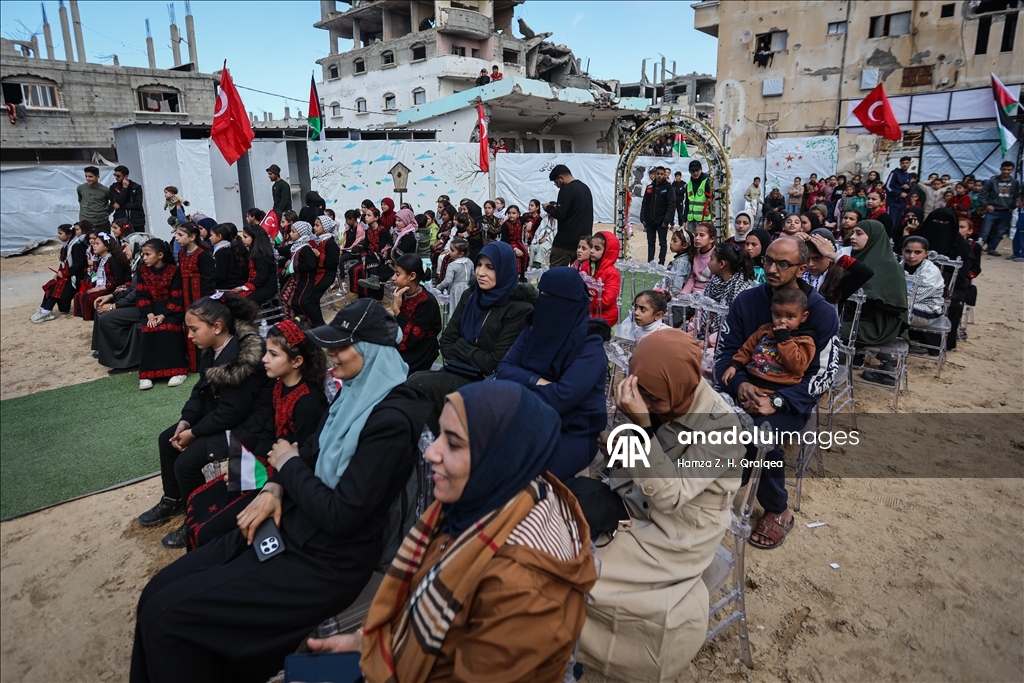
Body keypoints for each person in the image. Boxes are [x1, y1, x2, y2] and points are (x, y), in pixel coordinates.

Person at [130, 299, 432, 683]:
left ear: (371, 350)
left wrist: (287, 467)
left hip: (327, 560)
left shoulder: (390, 419)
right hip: (294, 525)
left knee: (167, 622)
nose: (330, 354)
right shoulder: (355, 394)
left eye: (341, 346)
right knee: (155, 594)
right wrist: (274, 484)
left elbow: (341, 515)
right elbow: (310, 448)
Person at [302, 382, 598, 682]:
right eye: (439, 433)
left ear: (498, 455)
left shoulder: (520, 590)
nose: (431, 452)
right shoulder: (494, 490)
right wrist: (369, 645)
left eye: (454, 443)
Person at [579, 329, 742, 682]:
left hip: (679, 533)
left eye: (653, 398)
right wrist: (624, 433)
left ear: (678, 386)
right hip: (637, 504)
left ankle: (598, 652)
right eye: (642, 394)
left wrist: (637, 423)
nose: (646, 403)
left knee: (584, 572)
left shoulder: (721, 429)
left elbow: (670, 495)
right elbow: (635, 456)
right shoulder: (660, 396)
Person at [714, 236, 839, 550]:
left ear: (802, 267)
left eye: (783, 264)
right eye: (768, 260)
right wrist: (740, 384)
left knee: (760, 437)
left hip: (790, 399)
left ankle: (777, 508)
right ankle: (715, 483)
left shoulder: (819, 313)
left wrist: (777, 401)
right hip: (744, 387)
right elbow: (725, 353)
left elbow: (824, 374)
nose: (771, 268)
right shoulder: (747, 301)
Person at [136, 293, 273, 548]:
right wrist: (185, 422)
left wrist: (196, 433)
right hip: (224, 417)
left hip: (248, 427)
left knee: (186, 464)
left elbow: (234, 413)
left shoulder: (242, 360)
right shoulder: (213, 348)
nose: (189, 335)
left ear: (217, 327)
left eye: (194, 329)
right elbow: (201, 388)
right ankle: (173, 499)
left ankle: (196, 517)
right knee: (167, 440)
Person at [185, 319, 329, 550]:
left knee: (209, 528)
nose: (264, 359)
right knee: (197, 498)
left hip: (287, 480)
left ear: (297, 361)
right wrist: (247, 466)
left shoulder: (309, 402)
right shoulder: (279, 386)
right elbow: (269, 433)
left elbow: (308, 455)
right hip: (266, 467)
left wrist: (269, 481)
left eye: (273, 354)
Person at [406, 241, 535, 431]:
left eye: (490, 267)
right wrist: (471, 354)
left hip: (488, 382)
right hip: (459, 369)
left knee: (417, 385)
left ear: (505, 269)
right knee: (414, 383)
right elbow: (447, 340)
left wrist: (462, 347)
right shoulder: (472, 295)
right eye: (479, 265)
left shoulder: (519, 309)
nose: (481, 272)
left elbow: (495, 363)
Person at [496, 268, 608, 479]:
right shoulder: (535, 326)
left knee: (525, 477)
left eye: (552, 297)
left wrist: (514, 394)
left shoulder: (589, 343)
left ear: (570, 301)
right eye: (543, 294)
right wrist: (536, 380)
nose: (544, 301)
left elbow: (562, 397)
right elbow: (504, 367)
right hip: (529, 419)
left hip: (574, 430)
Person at [845, 220, 909, 384]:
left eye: (859, 233)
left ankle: (830, 371)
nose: (853, 237)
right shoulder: (855, 257)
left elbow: (892, 302)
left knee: (827, 330)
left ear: (874, 237)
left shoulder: (890, 267)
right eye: (853, 233)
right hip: (853, 317)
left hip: (879, 324)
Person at [722, 287, 816, 390]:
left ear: (803, 317)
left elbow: (798, 366)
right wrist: (735, 365)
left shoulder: (804, 340)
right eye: (777, 315)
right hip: (752, 380)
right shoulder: (765, 330)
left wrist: (784, 340)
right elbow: (747, 349)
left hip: (779, 387)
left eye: (790, 317)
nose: (782, 321)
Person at [913, 207, 971, 350]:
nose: (939, 226)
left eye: (944, 223)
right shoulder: (917, 241)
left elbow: (963, 273)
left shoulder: (960, 245)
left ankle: (936, 343)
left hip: (949, 286)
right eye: (936, 222)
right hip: (915, 283)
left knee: (953, 302)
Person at [136, 239, 190, 391]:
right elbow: (141, 295)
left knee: (168, 329)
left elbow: (177, 296)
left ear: (160, 255)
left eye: (147, 254)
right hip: (150, 310)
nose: (144, 258)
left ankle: (178, 371)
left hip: (171, 310)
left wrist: (163, 315)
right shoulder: (142, 270)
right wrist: (149, 314)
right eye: (143, 254)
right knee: (148, 330)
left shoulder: (174, 270)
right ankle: (147, 374)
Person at [390, 254, 443, 374]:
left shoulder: (426, 301)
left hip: (422, 348)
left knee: (392, 370)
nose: (393, 278)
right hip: (405, 339)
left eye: (397, 274)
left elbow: (414, 338)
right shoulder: (402, 293)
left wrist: (397, 311)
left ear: (412, 276)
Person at [175, 222, 217, 373]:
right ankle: (194, 365)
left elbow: (209, 281)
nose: (176, 238)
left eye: (180, 235)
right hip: (186, 298)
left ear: (192, 237)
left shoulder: (203, 255)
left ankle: (207, 363)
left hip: (200, 300)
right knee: (190, 328)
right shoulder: (181, 254)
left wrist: (205, 303)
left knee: (203, 327)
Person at [802, 230, 874, 309]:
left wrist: (832, 254)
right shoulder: (798, 276)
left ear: (830, 258)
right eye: (807, 259)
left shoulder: (838, 281)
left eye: (817, 258)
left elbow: (865, 272)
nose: (811, 264)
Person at [901, 236, 946, 353]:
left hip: (927, 309)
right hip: (903, 304)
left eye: (917, 252)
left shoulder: (931, 272)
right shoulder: (899, 265)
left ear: (926, 253)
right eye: (908, 251)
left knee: (892, 310)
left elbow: (913, 298)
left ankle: (897, 346)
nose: (911, 256)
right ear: (902, 251)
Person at [543, 164, 594, 267]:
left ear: (561, 177)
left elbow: (560, 214)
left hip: (565, 243)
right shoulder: (585, 188)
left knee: (557, 275)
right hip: (583, 241)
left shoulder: (566, 190)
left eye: (556, 182)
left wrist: (548, 207)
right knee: (580, 275)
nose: (557, 185)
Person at [74, 231, 130, 322]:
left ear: (107, 247)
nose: (94, 246)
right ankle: (97, 321)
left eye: (97, 244)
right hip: (105, 285)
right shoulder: (101, 260)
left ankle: (100, 320)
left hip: (115, 288)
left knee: (90, 298)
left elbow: (118, 281)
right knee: (79, 295)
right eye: (94, 243)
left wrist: (99, 289)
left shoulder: (113, 260)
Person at [33, 224, 85, 323]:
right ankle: (43, 308)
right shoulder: (67, 245)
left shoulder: (77, 246)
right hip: (69, 274)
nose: (58, 236)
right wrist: (59, 273)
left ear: (69, 234)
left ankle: (47, 310)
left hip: (76, 276)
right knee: (52, 283)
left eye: (60, 233)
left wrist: (65, 273)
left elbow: (79, 265)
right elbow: (64, 263)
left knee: (58, 285)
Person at [92, 276, 141, 374]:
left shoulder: (146, 265)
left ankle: (127, 362)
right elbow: (132, 289)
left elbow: (137, 293)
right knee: (100, 310)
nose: (145, 259)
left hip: (147, 307)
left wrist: (113, 306)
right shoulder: (141, 263)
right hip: (137, 303)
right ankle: (100, 349)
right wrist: (112, 296)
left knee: (107, 319)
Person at [979, 161, 1021, 256]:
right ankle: (978, 248)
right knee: (985, 231)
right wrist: (986, 205)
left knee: (999, 232)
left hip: (1006, 211)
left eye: (1009, 170)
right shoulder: (993, 181)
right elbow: (982, 194)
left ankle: (992, 248)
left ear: (1012, 170)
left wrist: (1013, 206)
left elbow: (1017, 196)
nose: (1006, 171)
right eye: (1004, 169)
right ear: (1000, 169)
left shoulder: (1015, 182)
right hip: (992, 210)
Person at [235, 224, 278, 305]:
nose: (243, 240)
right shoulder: (255, 253)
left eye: (245, 237)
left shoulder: (262, 256)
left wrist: (244, 288)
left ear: (255, 239)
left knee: (240, 302)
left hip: (266, 287)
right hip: (258, 285)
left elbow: (261, 277)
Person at [642, 166, 675, 265]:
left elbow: (671, 205)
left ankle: (661, 263)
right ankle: (650, 262)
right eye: (658, 174)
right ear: (655, 174)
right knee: (651, 243)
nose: (659, 176)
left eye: (662, 174)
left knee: (663, 243)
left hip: (662, 222)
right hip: (650, 221)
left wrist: (666, 221)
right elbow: (645, 203)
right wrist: (643, 218)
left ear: (664, 175)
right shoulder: (650, 187)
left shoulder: (668, 188)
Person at [589, 231, 622, 327]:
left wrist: (586, 304)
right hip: (590, 313)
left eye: (597, 248)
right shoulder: (588, 267)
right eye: (591, 246)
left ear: (607, 251)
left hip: (605, 317)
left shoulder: (612, 273)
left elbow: (607, 300)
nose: (591, 251)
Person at [435, 237, 473, 309]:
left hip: (455, 290)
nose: (450, 252)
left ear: (461, 254)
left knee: (455, 308)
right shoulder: (469, 262)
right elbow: (473, 276)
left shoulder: (452, 265)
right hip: (468, 288)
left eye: (452, 250)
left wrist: (438, 288)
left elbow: (448, 281)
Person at [680, 222, 717, 295]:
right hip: (694, 294)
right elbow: (692, 277)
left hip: (708, 294)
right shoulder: (696, 253)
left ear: (712, 239)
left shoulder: (716, 256)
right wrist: (683, 293)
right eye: (696, 235)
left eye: (702, 235)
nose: (697, 238)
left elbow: (715, 282)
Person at [210, 224, 248, 290]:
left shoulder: (221, 252)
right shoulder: (239, 246)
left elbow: (220, 275)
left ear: (219, 236)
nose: (209, 238)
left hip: (226, 287)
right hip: (241, 284)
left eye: (211, 235)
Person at [110, 165, 146, 232]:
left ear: (125, 176)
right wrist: (124, 188)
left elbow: (138, 204)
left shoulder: (136, 187)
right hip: (120, 220)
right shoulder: (114, 187)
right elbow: (118, 201)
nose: (116, 178)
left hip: (136, 221)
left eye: (118, 176)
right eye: (115, 175)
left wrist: (120, 206)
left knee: (138, 240)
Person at [500, 204, 529, 279]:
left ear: (518, 214)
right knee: (516, 256)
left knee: (525, 253)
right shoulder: (505, 225)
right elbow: (504, 241)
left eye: (513, 213)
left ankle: (522, 276)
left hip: (519, 242)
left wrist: (530, 223)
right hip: (509, 244)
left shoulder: (521, 220)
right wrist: (515, 249)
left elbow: (532, 217)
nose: (511, 215)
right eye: (509, 213)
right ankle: (513, 277)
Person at [682, 160, 712, 232]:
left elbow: (712, 198)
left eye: (697, 170)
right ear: (689, 172)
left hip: (704, 219)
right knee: (692, 241)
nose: (695, 173)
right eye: (693, 171)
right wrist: (684, 220)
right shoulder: (688, 184)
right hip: (691, 220)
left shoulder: (707, 182)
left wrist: (710, 209)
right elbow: (687, 203)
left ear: (701, 170)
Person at [78, 166, 110, 230]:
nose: (87, 178)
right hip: (85, 221)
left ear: (98, 176)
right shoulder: (81, 188)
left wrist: (106, 212)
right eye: (86, 176)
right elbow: (80, 201)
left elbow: (113, 203)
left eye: (90, 176)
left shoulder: (105, 190)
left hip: (102, 222)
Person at [885, 156, 913, 225]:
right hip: (893, 203)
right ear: (900, 164)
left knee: (898, 223)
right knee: (891, 222)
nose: (905, 165)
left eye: (907, 163)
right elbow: (887, 186)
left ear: (910, 164)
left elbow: (909, 189)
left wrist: (908, 188)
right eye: (903, 163)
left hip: (902, 203)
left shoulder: (908, 175)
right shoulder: (894, 173)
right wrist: (899, 193)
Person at [666, 228, 692, 296]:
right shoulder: (682, 259)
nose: (671, 243)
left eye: (675, 241)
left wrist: (669, 297)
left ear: (685, 245)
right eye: (671, 240)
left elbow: (677, 288)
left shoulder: (681, 263)